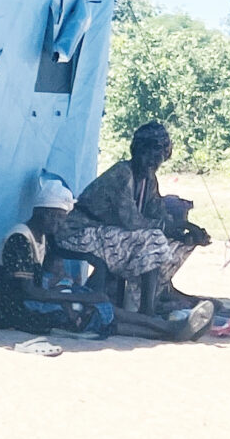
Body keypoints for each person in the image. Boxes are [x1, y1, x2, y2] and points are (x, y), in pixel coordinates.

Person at [56, 122, 212, 324]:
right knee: (153, 238)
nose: (152, 162)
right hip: (78, 231)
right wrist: (176, 227)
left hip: (105, 233)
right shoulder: (122, 173)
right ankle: (147, 312)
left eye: (157, 159)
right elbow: (131, 221)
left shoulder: (149, 180)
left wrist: (186, 234)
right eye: (148, 155)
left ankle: (154, 297)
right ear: (137, 151)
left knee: (175, 242)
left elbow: (159, 214)